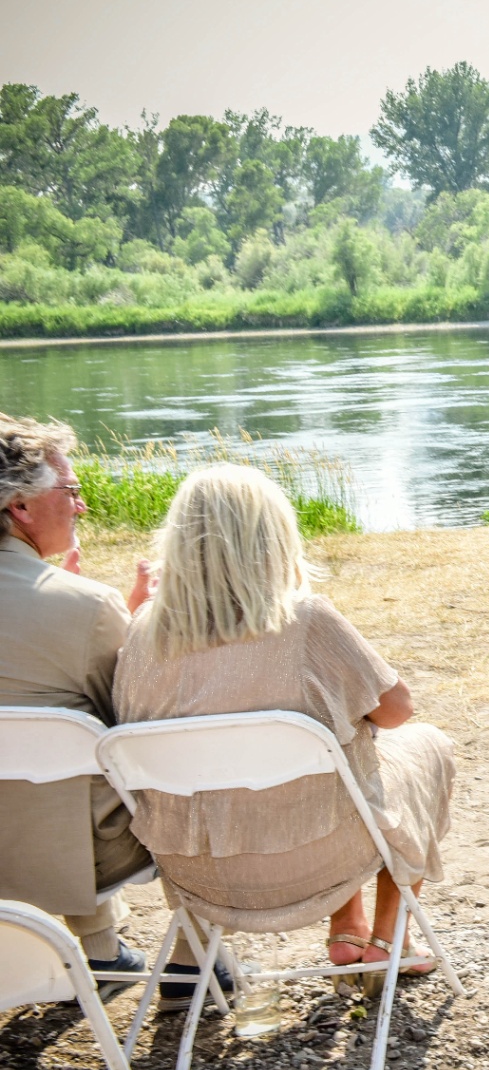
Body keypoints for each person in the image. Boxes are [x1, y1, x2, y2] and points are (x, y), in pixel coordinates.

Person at [112, 463, 456, 998]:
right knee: (422, 747)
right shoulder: (306, 619)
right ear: (271, 537)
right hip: (317, 858)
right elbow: (396, 712)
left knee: (336, 764)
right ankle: (390, 942)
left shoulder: (139, 634)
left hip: (200, 874)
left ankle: (348, 930)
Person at [0, 414, 161, 985]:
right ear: (20, 506)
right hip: (74, 855)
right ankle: (196, 963)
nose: (82, 505)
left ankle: (100, 951)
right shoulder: (85, 607)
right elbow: (132, 727)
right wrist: (136, 626)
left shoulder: (81, 605)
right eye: (69, 491)